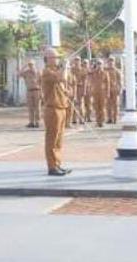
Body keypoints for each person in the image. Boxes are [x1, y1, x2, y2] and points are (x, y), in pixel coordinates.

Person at [41, 48, 72, 176]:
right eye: (55, 57)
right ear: (47, 59)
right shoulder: (47, 71)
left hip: (61, 107)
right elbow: (62, 78)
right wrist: (65, 66)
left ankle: (57, 164)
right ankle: (52, 167)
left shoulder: (54, 71)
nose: (57, 59)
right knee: (52, 139)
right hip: (52, 108)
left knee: (59, 139)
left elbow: (63, 85)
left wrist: (66, 92)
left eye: (57, 57)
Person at [18, 60, 42, 128]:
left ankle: (37, 122)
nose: (30, 66)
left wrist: (42, 93)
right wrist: (24, 66)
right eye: (29, 65)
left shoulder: (38, 72)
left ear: (34, 65)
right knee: (30, 107)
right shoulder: (26, 72)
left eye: (32, 65)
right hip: (29, 91)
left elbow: (42, 83)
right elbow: (19, 74)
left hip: (37, 91)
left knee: (37, 107)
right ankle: (31, 122)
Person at [89, 59, 109, 127]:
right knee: (96, 108)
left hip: (102, 92)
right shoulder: (93, 72)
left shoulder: (105, 73)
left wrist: (108, 92)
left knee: (102, 108)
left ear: (102, 65)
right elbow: (89, 79)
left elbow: (107, 83)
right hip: (95, 92)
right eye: (98, 64)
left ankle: (102, 121)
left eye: (100, 64)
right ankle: (97, 121)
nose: (99, 65)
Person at [105, 57, 123, 124]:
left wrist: (120, 89)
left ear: (114, 62)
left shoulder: (117, 71)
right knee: (108, 105)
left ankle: (115, 119)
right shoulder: (105, 70)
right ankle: (109, 118)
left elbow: (120, 81)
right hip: (107, 90)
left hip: (115, 89)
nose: (110, 62)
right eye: (109, 61)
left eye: (112, 61)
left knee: (115, 105)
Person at [71, 57, 87, 124]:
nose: (77, 62)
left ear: (80, 61)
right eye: (75, 60)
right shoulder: (71, 70)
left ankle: (82, 118)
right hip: (73, 88)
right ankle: (74, 119)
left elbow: (85, 81)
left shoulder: (83, 70)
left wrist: (84, 90)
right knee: (73, 103)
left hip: (80, 87)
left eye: (78, 60)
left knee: (81, 104)